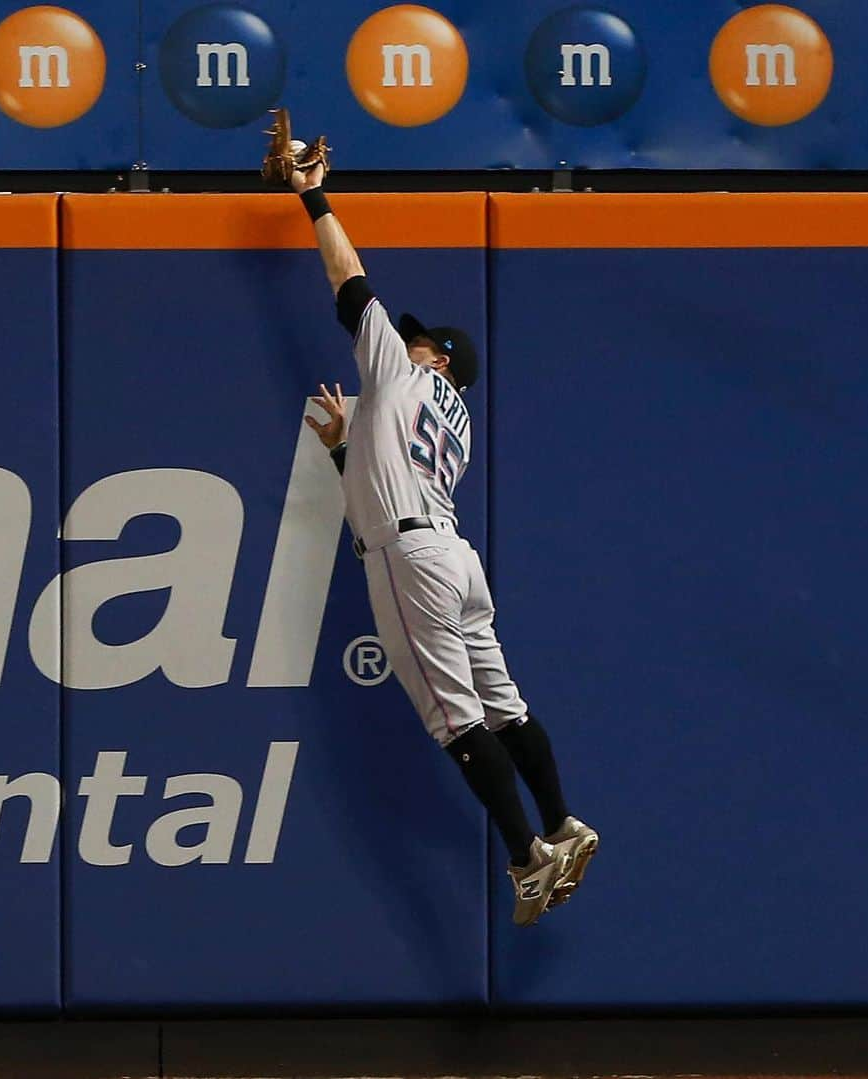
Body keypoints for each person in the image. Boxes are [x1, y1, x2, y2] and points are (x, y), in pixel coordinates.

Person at [290, 160, 597, 927]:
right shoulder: (455, 421)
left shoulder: (399, 366)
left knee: (455, 721)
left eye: (421, 341)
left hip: (410, 559)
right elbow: (390, 472)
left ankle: (529, 858)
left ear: (439, 357)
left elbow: (347, 274)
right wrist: (344, 447)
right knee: (505, 707)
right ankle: (560, 820)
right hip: (455, 559)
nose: (407, 340)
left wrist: (312, 195)